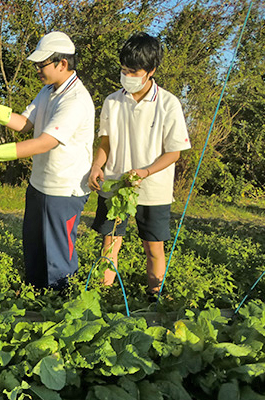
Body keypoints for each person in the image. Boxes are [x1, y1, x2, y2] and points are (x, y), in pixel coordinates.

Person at [0, 32, 95, 289]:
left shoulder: (76, 100)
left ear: (63, 64)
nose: (37, 69)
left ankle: (62, 307)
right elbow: (26, 124)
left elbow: (44, 142)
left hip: (64, 189)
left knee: (59, 255)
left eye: (42, 64)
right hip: (39, 184)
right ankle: (36, 297)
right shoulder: (48, 90)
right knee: (35, 249)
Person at [87, 32, 191, 300]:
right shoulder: (113, 101)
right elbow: (105, 142)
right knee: (109, 244)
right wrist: (97, 166)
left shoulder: (168, 104)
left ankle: (154, 300)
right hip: (115, 184)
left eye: (133, 71)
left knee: (153, 248)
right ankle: (103, 298)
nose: (127, 76)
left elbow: (174, 153)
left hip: (153, 189)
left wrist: (144, 172)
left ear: (151, 70)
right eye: (123, 70)